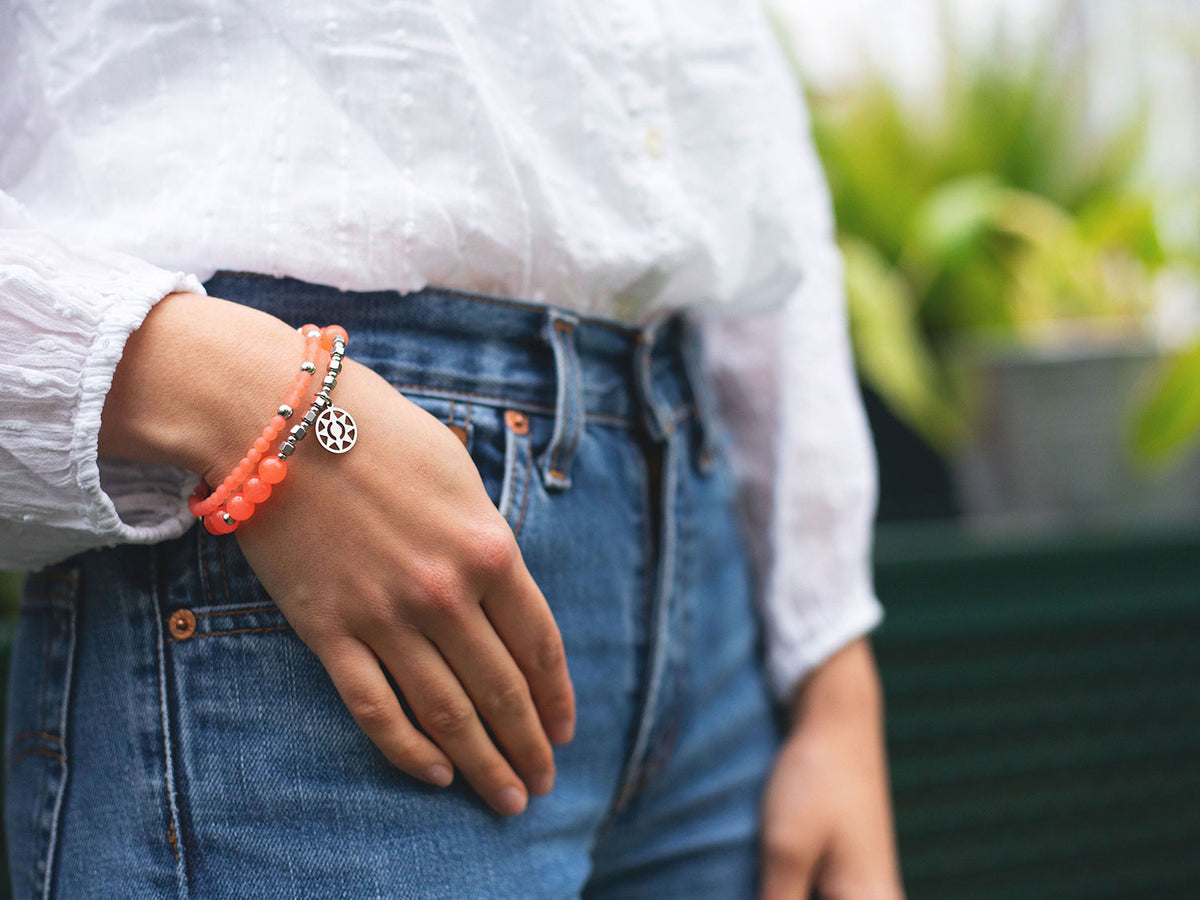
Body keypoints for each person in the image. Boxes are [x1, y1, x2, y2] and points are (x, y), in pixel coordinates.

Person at [0, 1, 902, 897]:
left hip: (708, 598)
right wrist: (251, 407)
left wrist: (831, 666)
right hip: (304, 565)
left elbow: (746, 163)